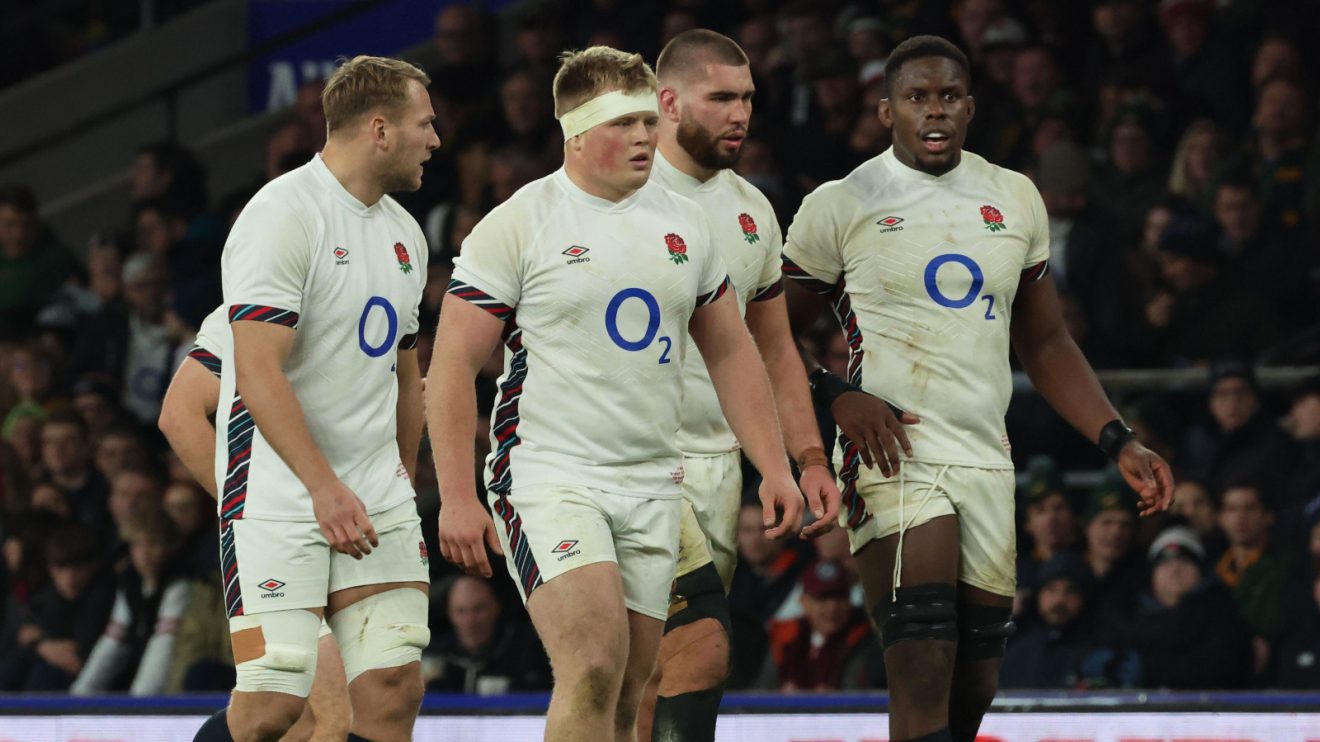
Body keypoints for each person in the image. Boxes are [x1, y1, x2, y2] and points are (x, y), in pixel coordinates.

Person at [781, 36, 1174, 742]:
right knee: (924, 658)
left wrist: (1116, 436)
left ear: (970, 107)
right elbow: (764, 333)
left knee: (976, 682)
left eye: (948, 97)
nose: (934, 112)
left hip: (986, 457)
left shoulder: (1014, 196)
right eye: (916, 98)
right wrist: (834, 392)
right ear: (885, 111)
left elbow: (1045, 341)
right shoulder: (842, 203)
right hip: (894, 454)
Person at [427, 46, 806, 742]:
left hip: (654, 480)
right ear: (575, 131)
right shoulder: (518, 224)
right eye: (622, 123)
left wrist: (777, 467)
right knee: (594, 666)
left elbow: (731, 352)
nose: (642, 136)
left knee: (634, 689)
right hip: (550, 474)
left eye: (645, 119)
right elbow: (450, 368)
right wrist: (457, 494)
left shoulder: (687, 222)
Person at [188, 55, 438, 742]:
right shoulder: (281, 216)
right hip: (277, 495)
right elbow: (259, 373)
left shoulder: (405, 234)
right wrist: (324, 488)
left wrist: (401, 480)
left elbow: (403, 373)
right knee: (274, 703)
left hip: (373, 493)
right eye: (425, 123)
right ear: (380, 130)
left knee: (394, 688)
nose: (436, 140)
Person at [640, 29, 840, 741]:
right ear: (667, 102)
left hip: (718, 466)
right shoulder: (615, 193)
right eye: (721, 97)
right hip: (626, 464)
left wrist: (806, 459)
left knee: (665, 673)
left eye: (748, 98)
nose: (741, 113)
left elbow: (776, 350)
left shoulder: (754, 210)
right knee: (696, 649)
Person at [159, 306, 350, 740]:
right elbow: (178, 415)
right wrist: (247, 509)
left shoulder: (354, 299)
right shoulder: (244, 312)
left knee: (288, 718)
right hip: (271, 552)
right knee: (330, 716)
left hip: (330, 548)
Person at [426, 575, 551, 693]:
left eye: (479, 609)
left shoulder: (529, 653)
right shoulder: (434, 657)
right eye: (461, 611)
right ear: (450, 614)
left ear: (495, 608)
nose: (471, 621)